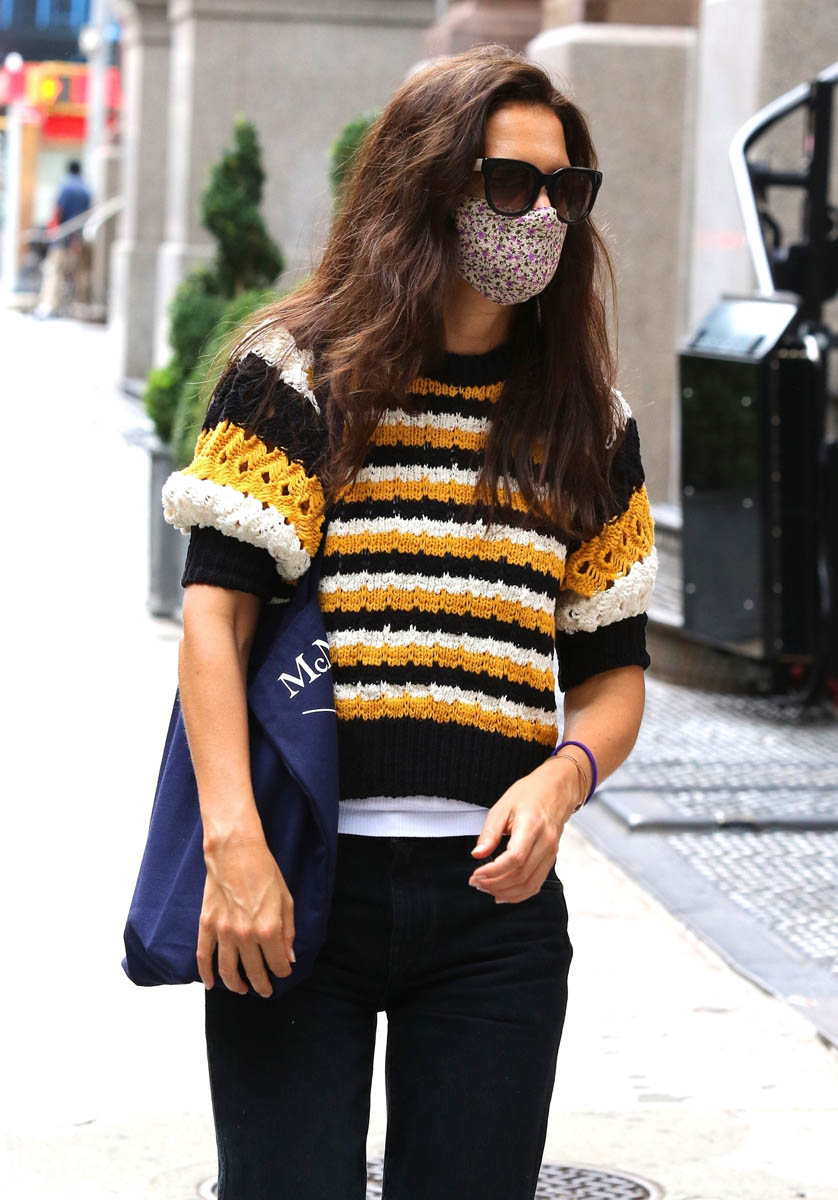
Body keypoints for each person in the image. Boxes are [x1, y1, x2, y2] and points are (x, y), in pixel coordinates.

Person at [161, 45, 657, 1200]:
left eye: (565, 189)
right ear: (424, 184)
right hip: (299, 880)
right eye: (509, 185)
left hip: (495, 912)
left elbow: (613, 674)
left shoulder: (588, 424)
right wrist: (234, 846)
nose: (541, 215)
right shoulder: (301, 378)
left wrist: (565, 779)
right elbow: (212, 623)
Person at [36, 160, 92, 317]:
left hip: (62, 237)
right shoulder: (86, 189)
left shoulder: (66, 187)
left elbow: (58, 210)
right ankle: (78, 305)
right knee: (78, 273)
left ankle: (51, 305)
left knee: (55, 271)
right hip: (78, 238)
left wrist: (51, 231)